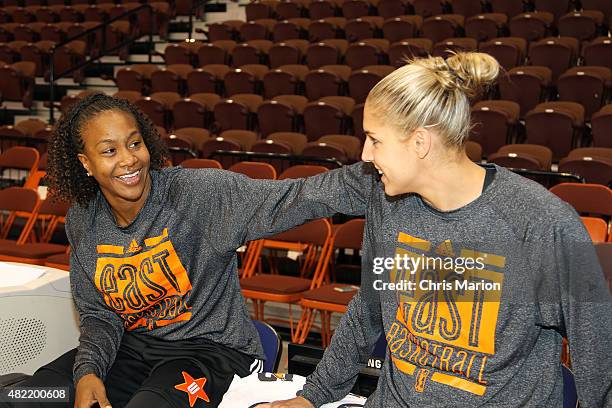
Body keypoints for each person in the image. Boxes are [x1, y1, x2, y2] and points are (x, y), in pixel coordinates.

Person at [258, 53, 612, 407]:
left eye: (375, 139)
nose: (365, 154)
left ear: (419, 142)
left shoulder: (541, 224)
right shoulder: (388, 204)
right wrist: (311, 398)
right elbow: (368, 310)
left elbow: (599, 357)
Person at [13, 93, 373, 408]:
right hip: (131, 347)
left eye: (134, 144)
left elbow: (300, 196)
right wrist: (89, 371)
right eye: (109, 151)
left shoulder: (201, 196)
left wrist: (386, 171)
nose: (128, 160)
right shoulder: (84, 218)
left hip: (211, 353)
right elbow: (98, 314)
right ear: (86, 163)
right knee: (30, 396)